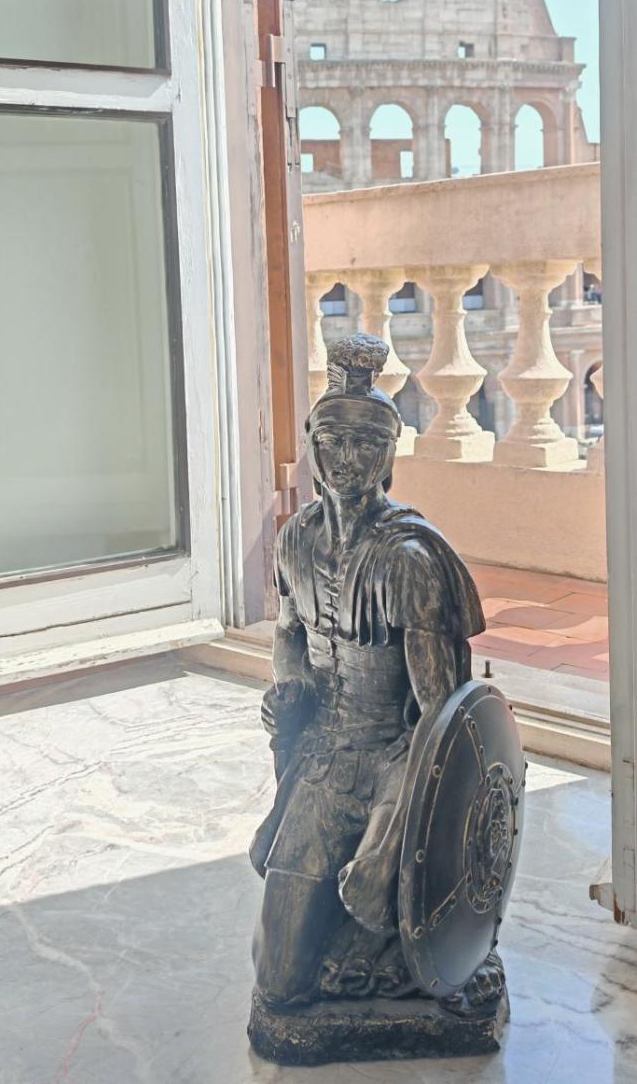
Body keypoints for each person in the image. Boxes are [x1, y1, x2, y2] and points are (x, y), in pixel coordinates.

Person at [250, 332, 495, 1008]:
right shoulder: (297, 539)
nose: (347, 459)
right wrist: (290, 683)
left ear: (388, 455)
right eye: (333, 441)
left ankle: (389, 940)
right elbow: (288, 634)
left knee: (373, 891)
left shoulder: (407, 559)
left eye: (365, 444)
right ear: (314, 445)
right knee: (278, 982)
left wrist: (391, 837)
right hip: (326, 757)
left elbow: (440, 714)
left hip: (396, 754)